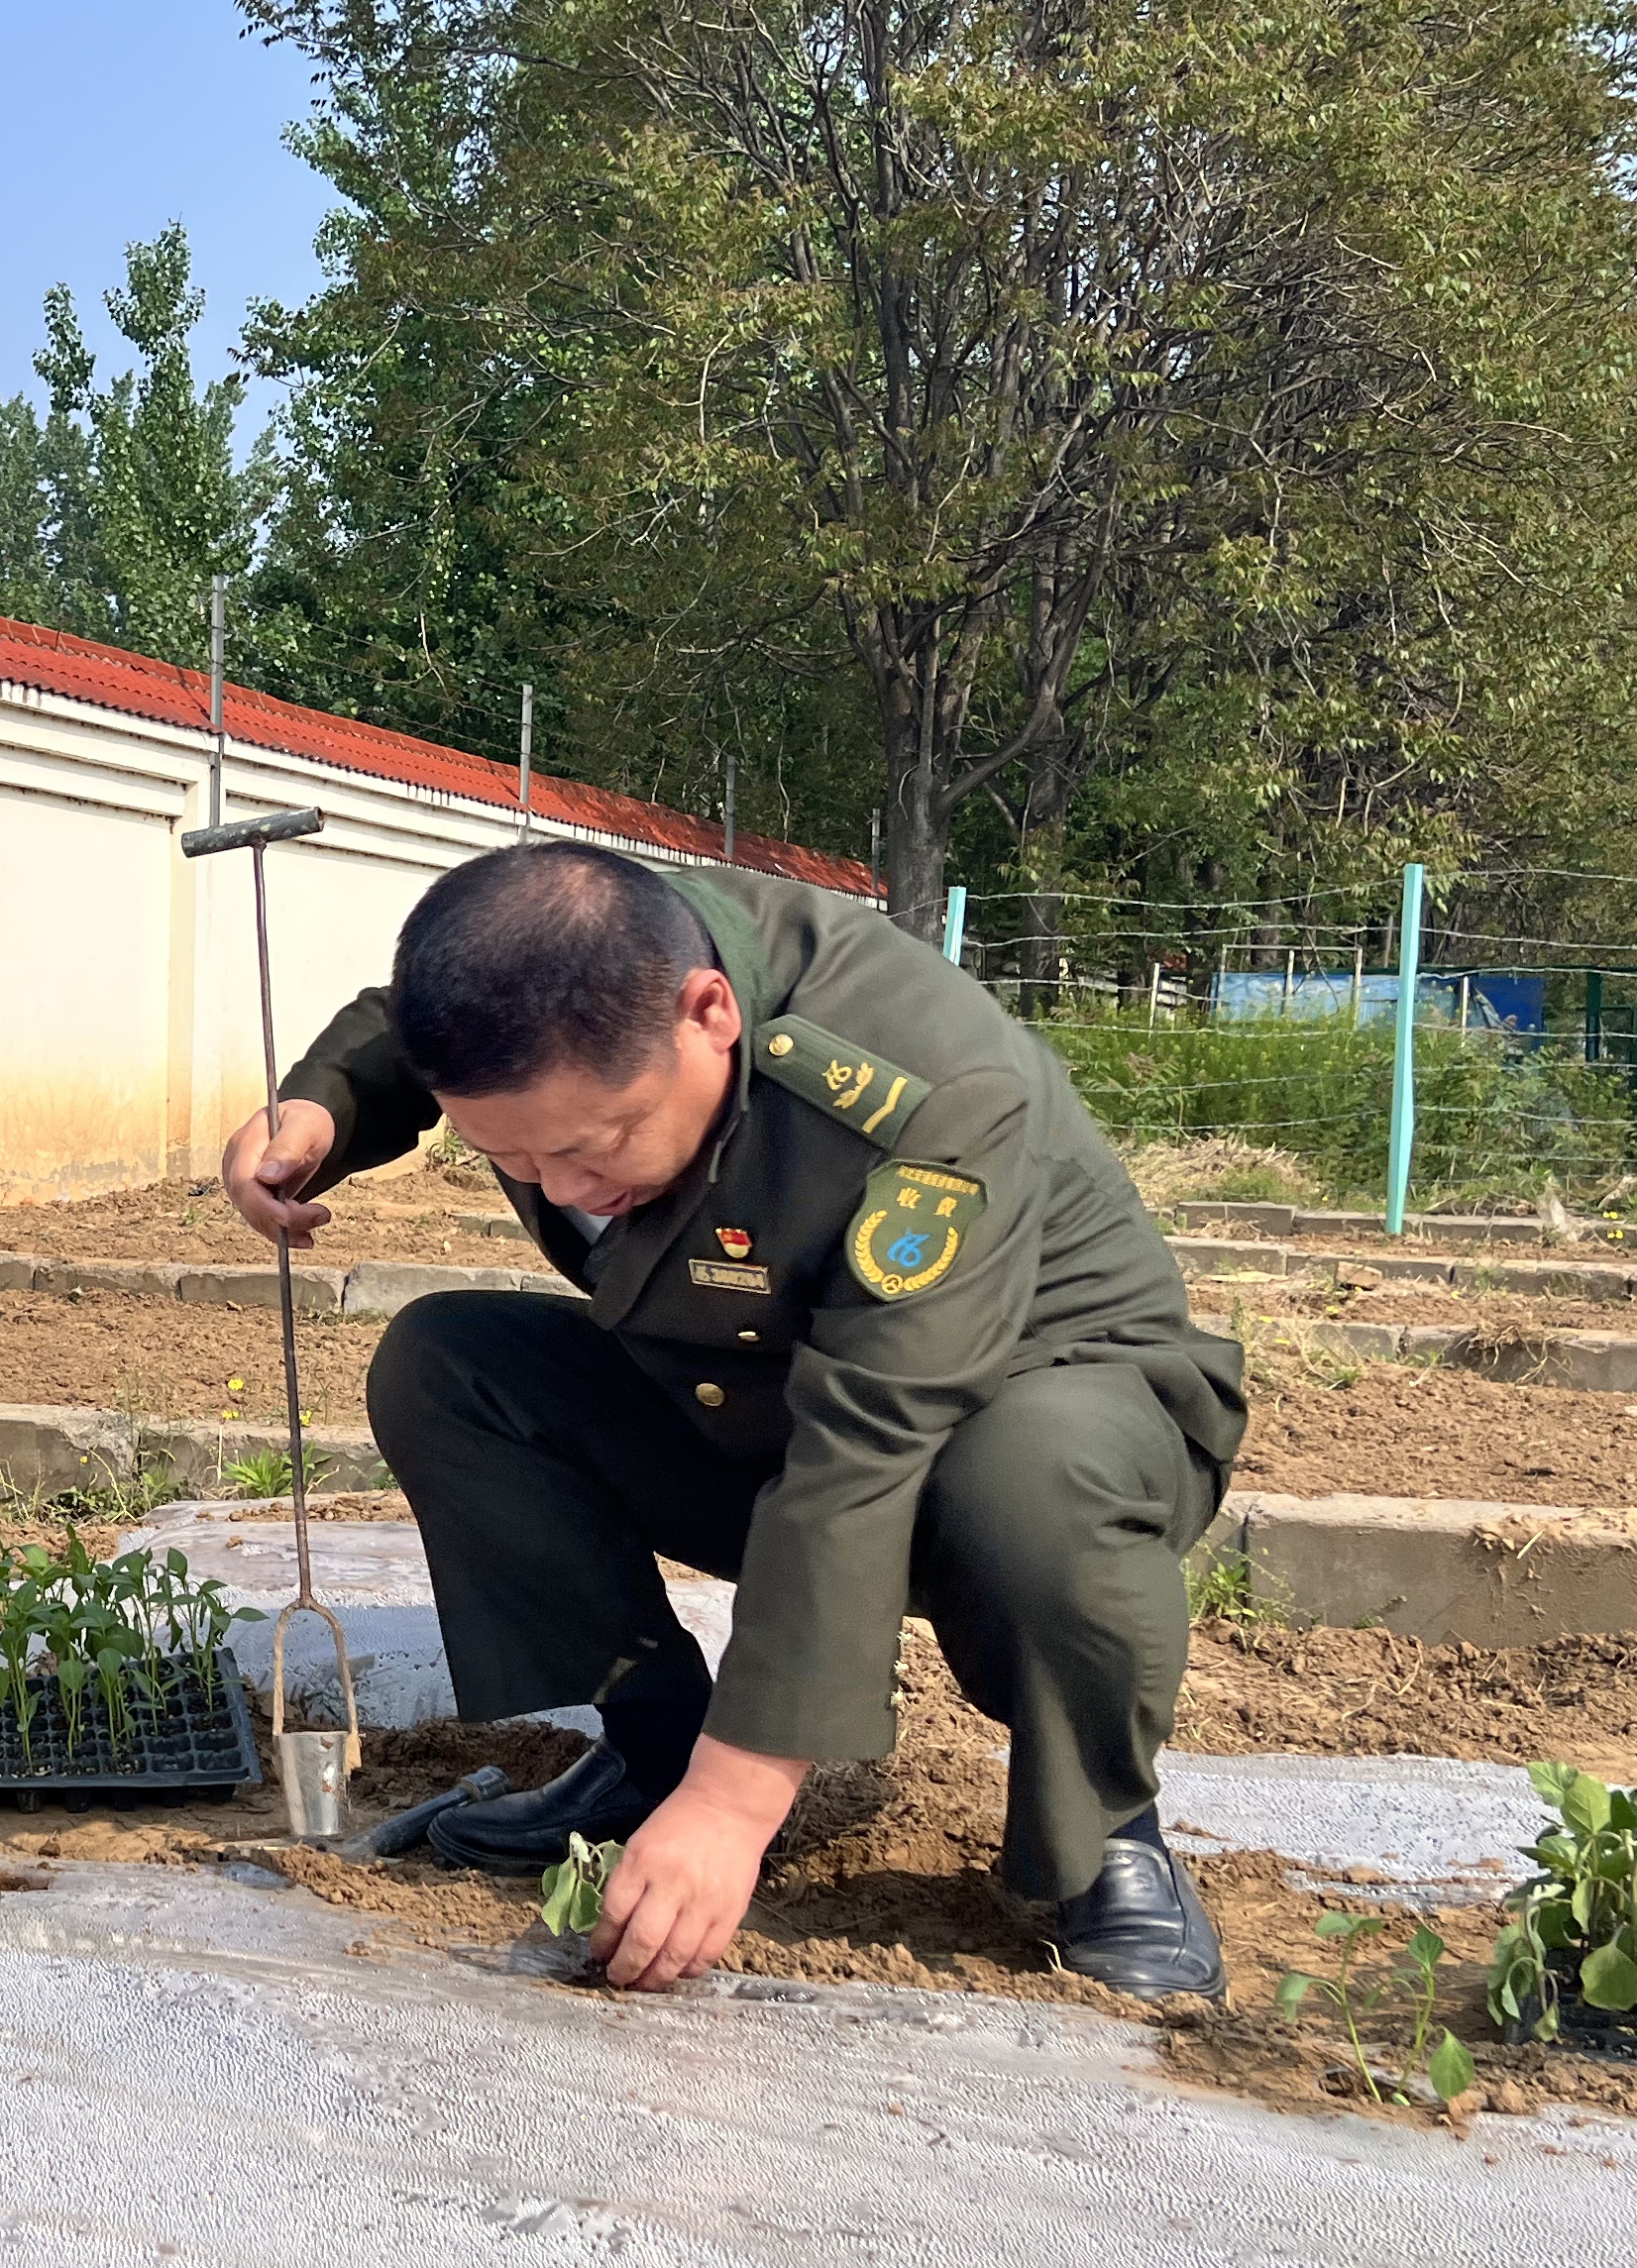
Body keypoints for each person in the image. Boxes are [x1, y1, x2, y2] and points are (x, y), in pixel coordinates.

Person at [224, 845, 1245, 1999]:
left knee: (1030, 1477)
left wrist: (736, 1802)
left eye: (591, 1144)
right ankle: (653, 1754)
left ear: (709, 1016)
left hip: (1043, 1403)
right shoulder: (587, 977)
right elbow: (418, 1023)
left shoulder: (924, 1094)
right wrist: (319, 1107)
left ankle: (1100, 1836)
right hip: (770, 1391)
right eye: (510, 1156)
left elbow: (865, 1447)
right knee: (451, 1366)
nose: (561, 1190)